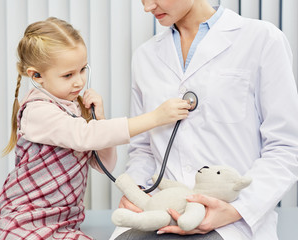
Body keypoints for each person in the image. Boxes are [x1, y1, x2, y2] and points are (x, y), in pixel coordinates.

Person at [0, 17, 191, 240]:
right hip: (25, 220)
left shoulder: (72, 107)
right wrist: (155, 118)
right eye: (68, 75)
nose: (79, 82)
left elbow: (104, 165)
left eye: (82, 69)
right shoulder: (37, 111)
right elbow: (84, 137)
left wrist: (99, 118)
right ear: (36, 76)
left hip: (63, 221)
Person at [111, 0, 298, 240]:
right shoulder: (145, 56)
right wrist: (136, 189)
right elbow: (143, 148)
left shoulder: (262, 39)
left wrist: (235, 210)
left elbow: (285, 146)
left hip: (229, 218)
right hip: (160, 211)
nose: (147, 7)